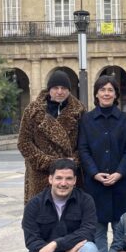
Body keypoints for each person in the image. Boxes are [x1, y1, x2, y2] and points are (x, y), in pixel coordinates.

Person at [78, 75, 126, 252]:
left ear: (116, 94)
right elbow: (83, 149)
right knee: (99, 231)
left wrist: (119, 173)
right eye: (102, 90)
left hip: (120, 183)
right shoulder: (87, 120)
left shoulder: (125, 119)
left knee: (121, 231)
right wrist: (94, 173)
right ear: (96, 94)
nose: (106, 93)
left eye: (110, 90)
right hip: (96, 184)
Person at [17, 70, 85, 203]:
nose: (60, 92)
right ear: (49, 89)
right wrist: (50, 162)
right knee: (41, 214)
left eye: (64, 88)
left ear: (69, 90)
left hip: (68, 174)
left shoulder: (79, 111)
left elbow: (85, 142)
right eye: (55, 88)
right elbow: (23, 142)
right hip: (40, 174)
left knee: (70, 215)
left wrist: (72, 162)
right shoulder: (32, 111)